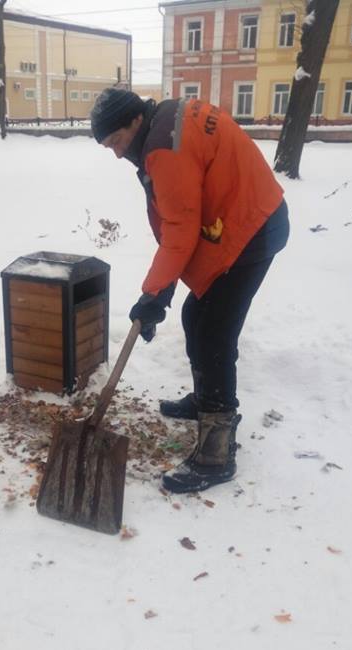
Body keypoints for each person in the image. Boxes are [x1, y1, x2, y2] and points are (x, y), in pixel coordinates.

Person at [91, 87, 289, 495]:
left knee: (214, 330)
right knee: (195, 316)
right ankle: (205, 400)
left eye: (115, 141)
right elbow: (177, 218)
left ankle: (216, 452)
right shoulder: (163, 123)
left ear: (133, 121)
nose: (115, 153)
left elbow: (180, 229)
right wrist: (161, 295)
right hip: (238, 218)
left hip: (251, 229)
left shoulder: (165, 148)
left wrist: (153, 294)